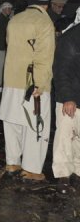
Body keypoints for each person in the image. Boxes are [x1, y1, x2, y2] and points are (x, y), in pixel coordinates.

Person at [0, 0, 55, 181]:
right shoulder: (44, 22)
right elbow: (44, 56)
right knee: (35, 126)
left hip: (11, 80)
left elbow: (10, 46)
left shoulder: (14, 20)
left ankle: (12, 163)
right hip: (32, 83)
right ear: (45, 4)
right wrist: (39, 83)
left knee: (13, 123)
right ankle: (31, 169)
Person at [52, 15, 80, 193]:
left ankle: (78, 172)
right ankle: (63, 176)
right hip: (71, 98)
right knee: (65, 137)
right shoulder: (71, 38)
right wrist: (68, 97)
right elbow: (61, 70)